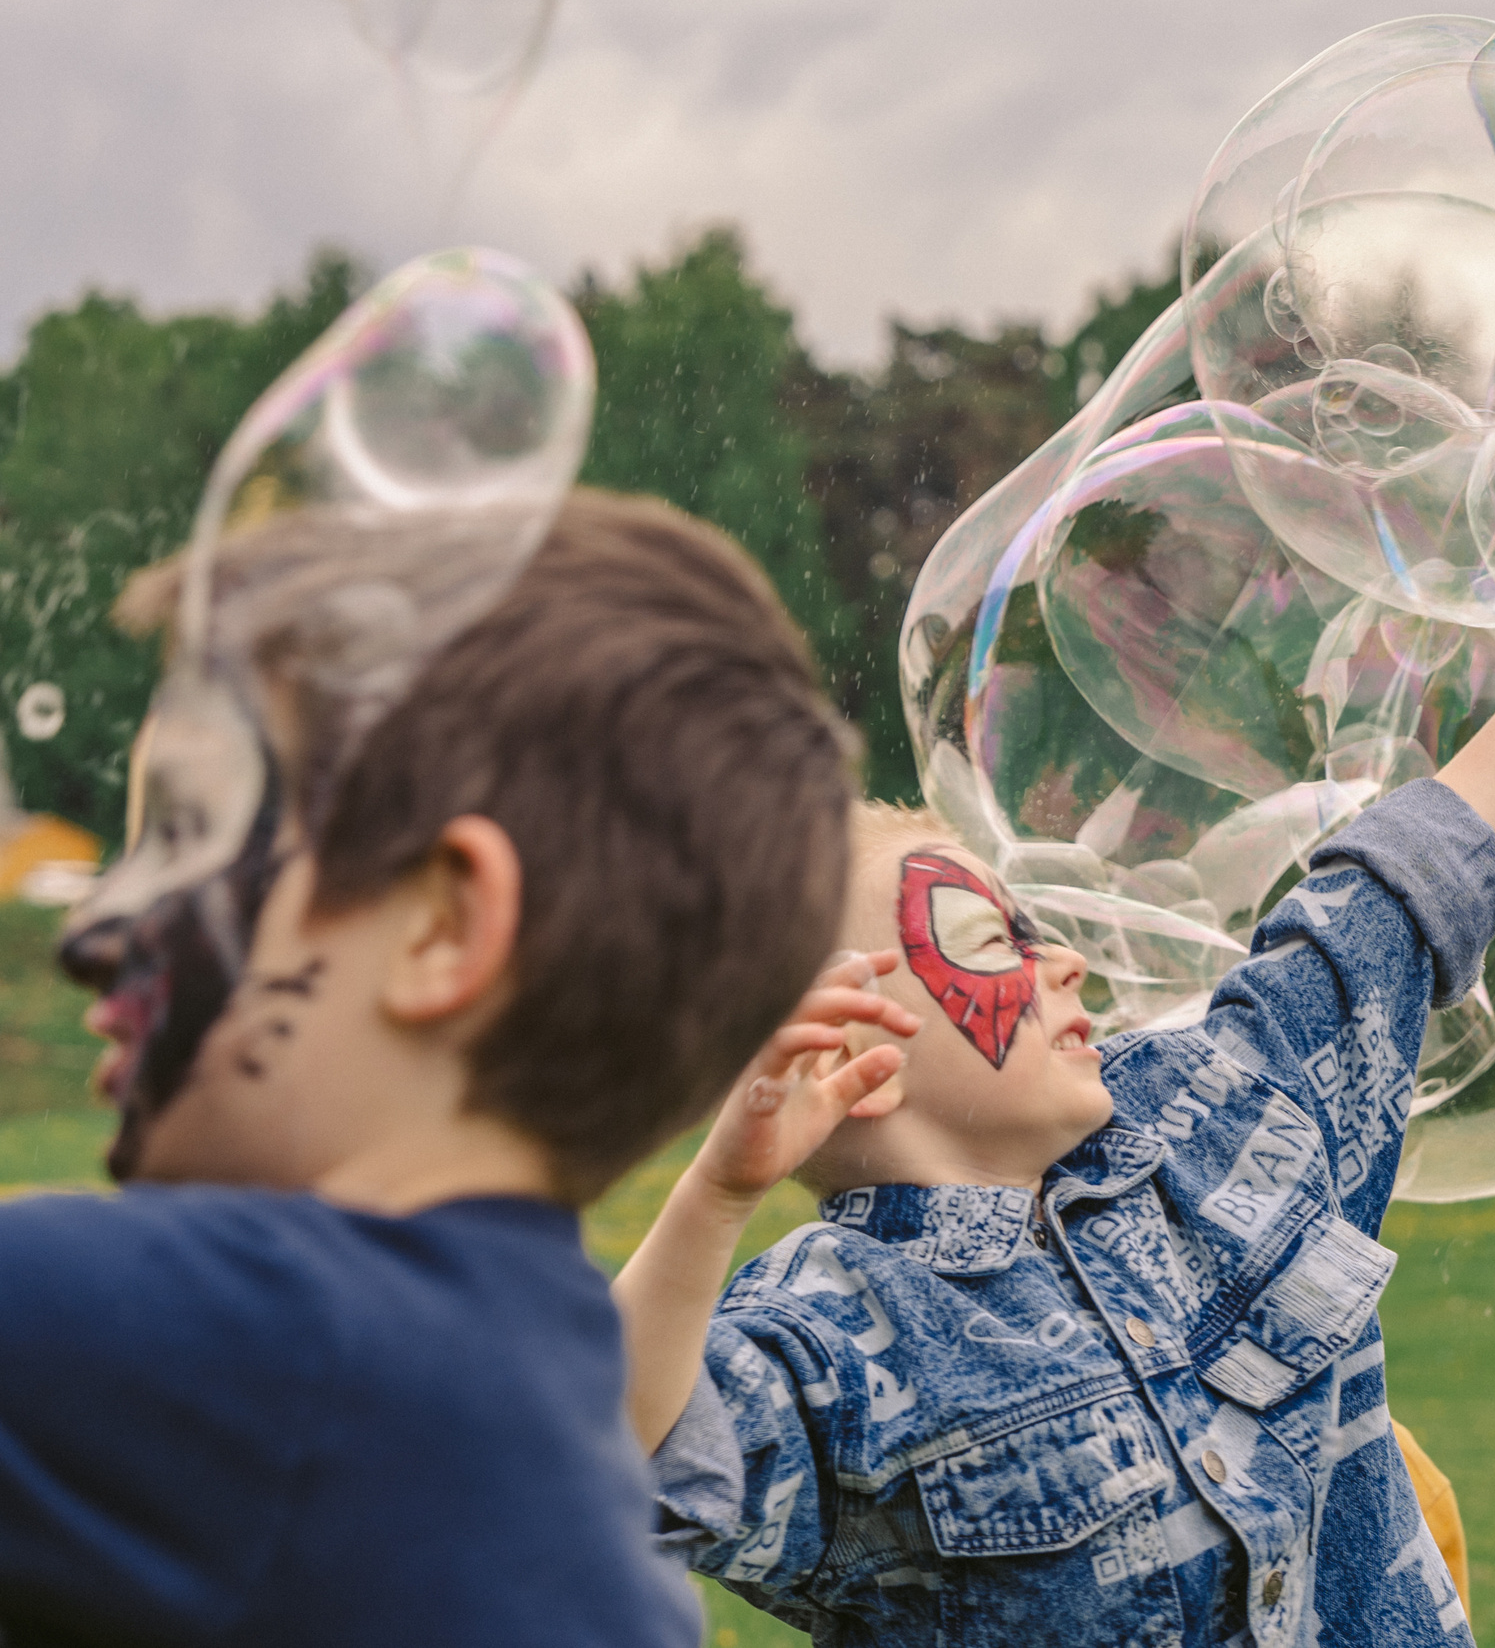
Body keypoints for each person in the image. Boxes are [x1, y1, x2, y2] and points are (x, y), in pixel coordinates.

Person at [615, 550, 1495, 1646]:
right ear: (851, 1045)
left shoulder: (1206, 1117)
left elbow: (1371, 913)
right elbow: (607, 1457)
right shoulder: (838, 1339)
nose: (1059, 958)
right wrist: (716, 1196)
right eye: (990, 942)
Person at [0, 490, 861, 1646]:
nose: (93, 933)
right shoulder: (559, 1463)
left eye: (192, 831)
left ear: (444, 929)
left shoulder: (238, 1350)